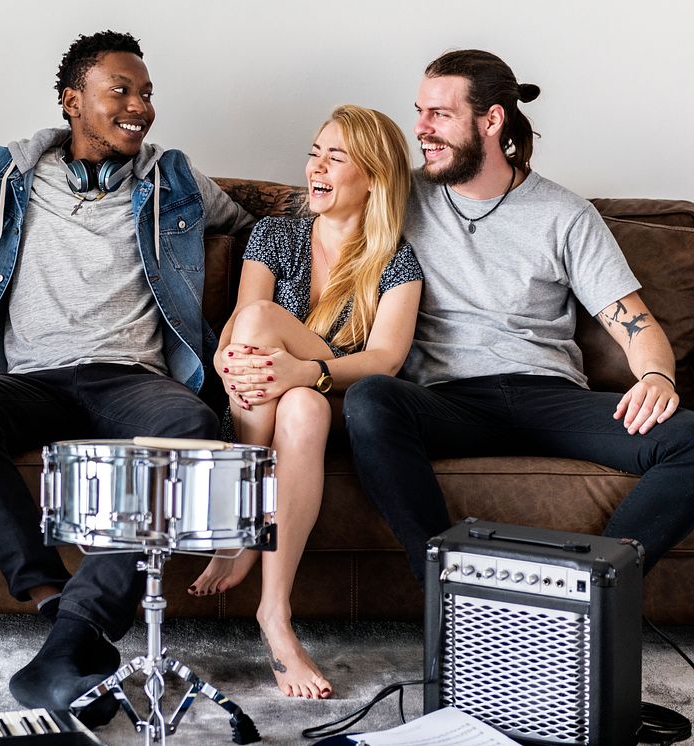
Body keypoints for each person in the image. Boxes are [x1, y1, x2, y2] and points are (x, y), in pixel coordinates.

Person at [0, 30, 253, 725]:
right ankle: (47, 594)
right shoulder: (1, 174)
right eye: (121, 91)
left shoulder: (176, 179)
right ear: (72, 102)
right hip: (32, 380)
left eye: (147, 93)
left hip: (131, 378)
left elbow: (267, 226)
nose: (141, 106)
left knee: (192, 424)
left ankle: (78, 632)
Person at [343, 49, 694, 584]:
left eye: (439, 114)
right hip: (445, 401)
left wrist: (655, 374)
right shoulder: (400, 196)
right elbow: (321, 218)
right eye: (420, 111)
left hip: (549, 397)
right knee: (369, 397)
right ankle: (447, 585)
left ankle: (591, 590)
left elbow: (636, 323)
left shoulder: (565, 214)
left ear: (491, 120)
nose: (420, 128)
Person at [187, 105, 422, 699]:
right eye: (315, 152)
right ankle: (275, 615)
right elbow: (240, 330)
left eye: (335, 157)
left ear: (373, 177)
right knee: (298, 405)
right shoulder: (275, 235)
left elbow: (384, 360)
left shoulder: (396, 259)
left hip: (346, 399)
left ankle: (237, 527)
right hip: (274, 405)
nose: (315, 166)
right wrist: (226, 359)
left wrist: (305, 369)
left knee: (280, 341)